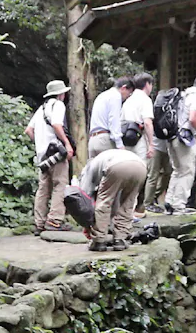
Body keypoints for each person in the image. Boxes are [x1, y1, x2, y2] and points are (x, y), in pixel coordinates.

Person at [25, 79, 74, 232]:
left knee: (43, 188)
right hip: (56, 153)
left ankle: (39, 223)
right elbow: (56, 124)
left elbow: (28, 130)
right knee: (60, 185)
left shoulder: (41, 108)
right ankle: (54, 221)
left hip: (42, 156)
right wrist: (66, 143)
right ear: (61, 94)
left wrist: (40, 144)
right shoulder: (58, 105)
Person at [78, 148, 146, 251]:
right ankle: (120, 240)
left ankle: (99, 241)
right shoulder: (103, 158)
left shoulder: (88, 169)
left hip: (117, 165)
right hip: (141, 167)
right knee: (127, 204)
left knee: (104, 202)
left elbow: (85, 196)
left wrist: (86, 224)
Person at [165, 75, 196, 214]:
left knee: (178, 170)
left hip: (172, 137)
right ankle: (179, 205)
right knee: (188, 171)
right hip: (184, 138)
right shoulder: (195, 96)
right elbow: (193, 118)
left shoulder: (182, 95)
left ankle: (169, 202)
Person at [86, 77, 134, 160]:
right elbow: (114, 121)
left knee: (93, 171)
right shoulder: (116, 96)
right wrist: (120, 145)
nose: (127, 97)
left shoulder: (102, 95)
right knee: (112, 170)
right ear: (123, 88)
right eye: (129, 93)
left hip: (93, 140)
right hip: (104, 141)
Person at [121, 73, 155, 167]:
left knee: (127, 168)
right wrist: (151, 144)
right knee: (141, 168)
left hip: (126, 138)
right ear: (147, 84)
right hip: (139, 138)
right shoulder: (145, 99)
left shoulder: (128, 100)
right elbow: (147, 123)